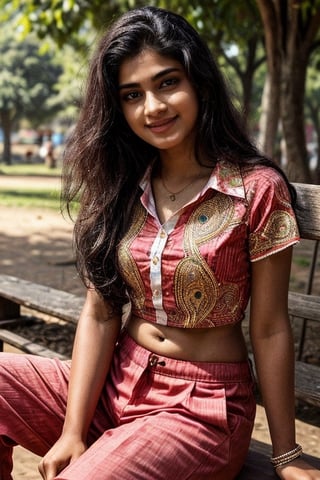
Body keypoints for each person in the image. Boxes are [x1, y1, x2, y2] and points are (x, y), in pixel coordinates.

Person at [0, 6, 319, 480]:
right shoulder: (123, 186)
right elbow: (100, 311)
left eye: (167, 82)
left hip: (200, 410)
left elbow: (270, 328)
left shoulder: (254, 189)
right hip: (116, 382)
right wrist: (72, 429)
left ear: (199, 82)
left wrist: (288, 454)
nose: (153, 107)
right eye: (133, 94)